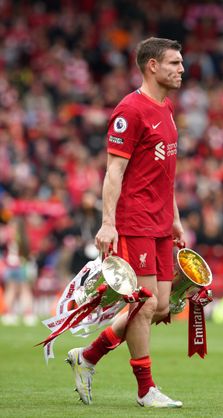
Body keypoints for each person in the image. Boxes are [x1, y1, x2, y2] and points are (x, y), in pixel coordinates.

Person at [66, 37, 185, 408]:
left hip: (162, 223)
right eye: (175, 63)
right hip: (134, 221)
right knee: (145, 303)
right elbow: (113, 172)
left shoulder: (165, 108)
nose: (182, 70)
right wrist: (107, 223)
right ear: (152, 66)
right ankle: (145, 389)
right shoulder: (129, 110)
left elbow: (164, 174)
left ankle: (87, 356)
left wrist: (176, 219)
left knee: (162, 306)